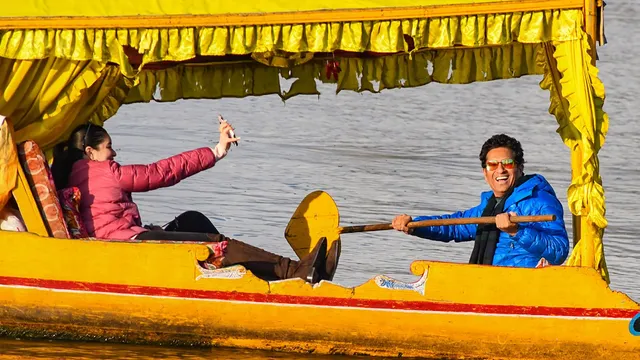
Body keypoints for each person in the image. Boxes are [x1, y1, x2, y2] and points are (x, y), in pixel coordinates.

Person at [51, 120, 340, 283]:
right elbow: (159, 173)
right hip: (128, 246)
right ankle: (296, 272)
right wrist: (215, 151)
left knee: (192, 220)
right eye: (109, 147)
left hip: (124, 239)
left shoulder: (75, 174)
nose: (113, 153)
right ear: (90, 152)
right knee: (215, 243)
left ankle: (296, 271)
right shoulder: (104, 172)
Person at [391, 134, 569, 267]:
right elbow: (455, 226)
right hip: (490, 284)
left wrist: (517, 231)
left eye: (507, 163)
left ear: (519, 168)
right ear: (485, 172)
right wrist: (414, 225)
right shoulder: (490, 205)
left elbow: (558, 252)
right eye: (492, 165)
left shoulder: (539, 200)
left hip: (525, 288)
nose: (500, 170)